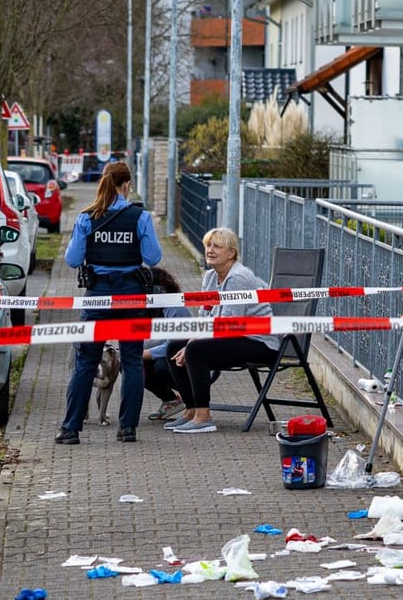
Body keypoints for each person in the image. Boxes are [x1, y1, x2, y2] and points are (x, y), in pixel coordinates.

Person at [60, 160, 162, 444]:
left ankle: (70, 429)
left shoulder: (85, 218)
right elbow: (153, 258)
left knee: (85, 362)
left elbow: (71, 260)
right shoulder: (140, 217)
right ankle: (127, 428)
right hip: (130, 296)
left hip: (98, 298)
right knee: (132, 363)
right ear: (126, 184)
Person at [165, 227, 277, 434]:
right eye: (208, 245)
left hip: (258, 342)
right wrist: (189, 341)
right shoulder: (210, 277)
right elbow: (205, 316)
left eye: (217, 246)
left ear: (231, 253)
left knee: (196, 350)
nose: (210, 250)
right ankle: (190, 410)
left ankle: (203, 416)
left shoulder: (239, 278)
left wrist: (191, 345)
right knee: (174, 346)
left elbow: (228, 324)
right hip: (232, 337)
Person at [141, 267, 186, 421]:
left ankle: (193, 400)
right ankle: (171, 400)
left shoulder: (175, 308)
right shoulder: (147, 307)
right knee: (128, 364)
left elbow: (172, 345)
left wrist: (143, 354)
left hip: (184, 357)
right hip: (162, 352)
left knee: (161, 367)